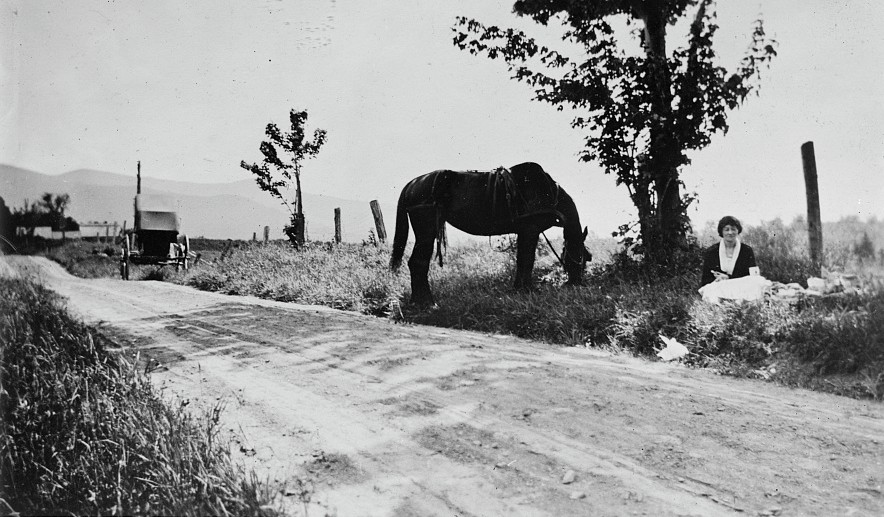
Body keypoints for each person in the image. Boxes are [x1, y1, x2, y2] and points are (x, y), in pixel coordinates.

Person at [700, 216, 759, 287]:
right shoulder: (711, 251)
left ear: (738, 231)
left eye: (733, 229)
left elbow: (753, 277)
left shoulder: (747, 250)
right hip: (718, 288)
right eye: (726, 229)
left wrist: (729, 278)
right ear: (721, 231)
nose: (730, 232)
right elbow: (705, 280)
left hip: (741, 288)